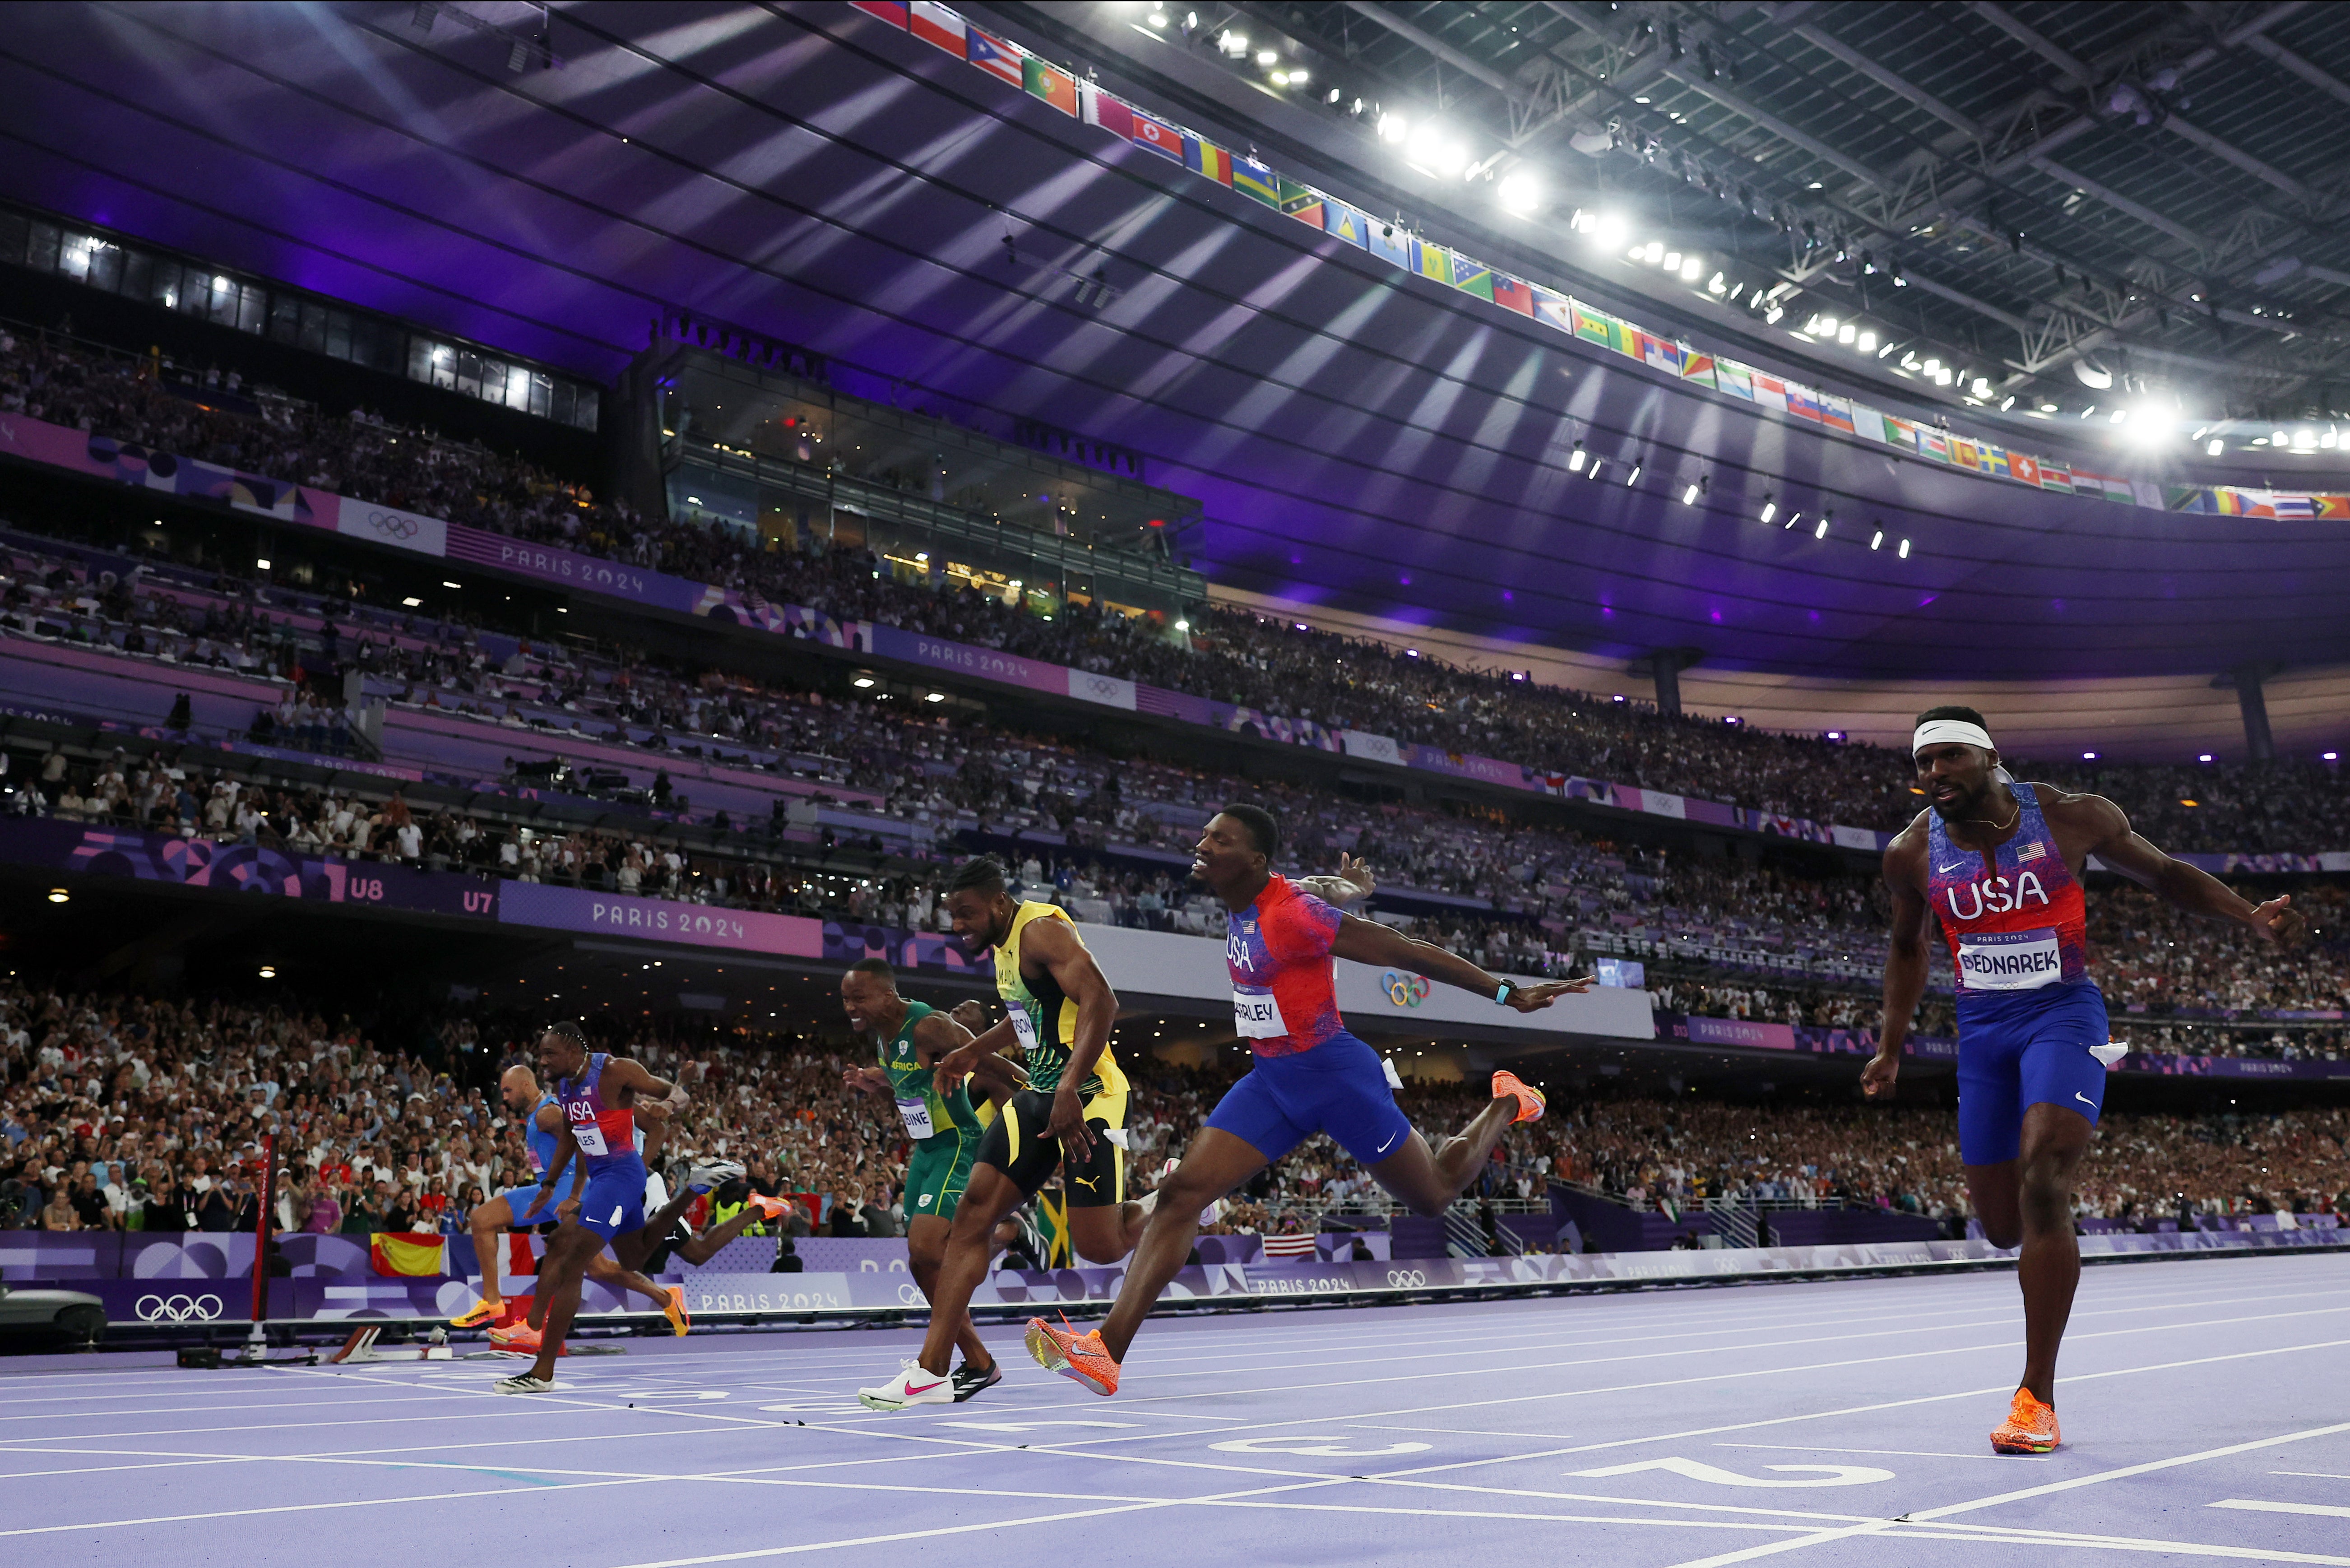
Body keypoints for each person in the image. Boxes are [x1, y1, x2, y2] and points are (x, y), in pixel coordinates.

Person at [1021, 805, 1589, 1398]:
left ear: (1254, 860)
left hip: (1336, 1078)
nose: (1203, 843)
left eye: (1220, 839)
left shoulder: (1290, 915)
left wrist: (1509, 992)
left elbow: (1405, 950)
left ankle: (1505, 1100)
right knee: (1182, 1193)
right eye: (1207, 833)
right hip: (1271, 1080)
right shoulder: (1260, 895)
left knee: (1436, 1192)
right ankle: (1105, 1350)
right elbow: (1317, 885)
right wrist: (1347, 884)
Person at [1863, 707, 2307, 1455]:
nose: (1931, 773)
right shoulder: (1910, 852)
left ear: (1988, 756)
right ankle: (2046, 1250)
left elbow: (2164, 874)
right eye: (1922, 763)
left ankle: (2035, 1395)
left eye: (1946, 758)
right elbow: (1907, 946)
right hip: (1982, 1032)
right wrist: (1890, 1045)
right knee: (2002, 1224)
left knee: (2044, 1179)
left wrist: (2246, 916)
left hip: (2062, 1012)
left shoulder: (2071, 815)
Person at [854, 853, 1146, 1410]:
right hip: (1040, 1094)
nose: (958, 926)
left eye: (966, 915)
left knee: (1100, 1246)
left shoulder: (1040, 930)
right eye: (952, 917)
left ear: (998, 902)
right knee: (972, 1217)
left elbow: (1102, 1002)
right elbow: (1025, 1018)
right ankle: (931, 1371)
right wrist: (972, 1049)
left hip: (1088, 1095)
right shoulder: (1006, 950)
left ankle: (1174, 1202)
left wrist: (1068, 1089)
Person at [837, 958, 1023, 1406]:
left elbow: (992, 1063)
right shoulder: (884, 1034)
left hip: (957, 1143)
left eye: (858, 998)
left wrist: (1046, 1096)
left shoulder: (930, 1026)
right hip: (924, 1150)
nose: (850, 1008)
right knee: (921, 1265)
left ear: (886, 994)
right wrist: (873, 1080)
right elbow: (906, 1077)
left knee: (926, 1248)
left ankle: (1001, 1235)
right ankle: (979, 1362)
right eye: (845, 1000)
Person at [494, 1023, 690, 1395]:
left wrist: (667, 1105)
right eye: (541, 1054)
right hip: (603, 1179)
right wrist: (550, 1185)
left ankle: (535, 1343)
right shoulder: (564, 1087)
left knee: (567, 1253)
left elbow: (677, 1094)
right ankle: (692, 1193)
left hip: (622, 1175)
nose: (543, 1061)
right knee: (632, 1259)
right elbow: (571, 1135)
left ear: (572, 1050)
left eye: (550, 1054)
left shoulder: (615, 1070)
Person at [451, 1062, 714, 1337]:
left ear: (527, 1085)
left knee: (485, 1219)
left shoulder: (549, 1114)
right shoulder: (541, 1114)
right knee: (599, 1269)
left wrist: (575, 1193)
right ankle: (667, 1299)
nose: (504, 1097)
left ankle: (516, 1316)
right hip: (552, 1191)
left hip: (568, 1192)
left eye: (508, 1090)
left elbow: (581, 1143)